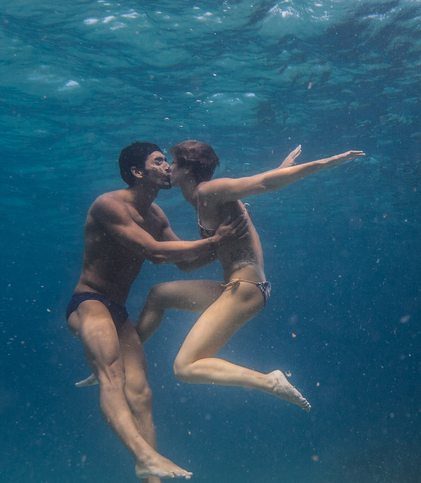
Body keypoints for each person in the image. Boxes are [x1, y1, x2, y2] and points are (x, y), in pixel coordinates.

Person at [65, 141, 247, 483]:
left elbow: (184, 260)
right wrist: (214, 241)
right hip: (89, 302)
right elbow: (155, 253)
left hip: (117, 310)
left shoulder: (156, 212)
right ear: (137, 172)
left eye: (168, 161)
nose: (168, 167)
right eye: (158, 161)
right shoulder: (108, 205)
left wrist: (229, 241)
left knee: (142, 394)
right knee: (111, 378)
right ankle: (144, 458)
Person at [132, 141, 364, 409]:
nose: (168, 168)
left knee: (184, 367)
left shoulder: (208, 190)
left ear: (186, 169)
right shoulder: (202, 197)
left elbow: (265, 183)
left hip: (246, 286)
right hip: (236, 285)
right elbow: (192, 261)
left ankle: (268, 381)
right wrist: (282, 167)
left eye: (172, 163)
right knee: (158, 294)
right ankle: (125, 358)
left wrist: (328, 161)